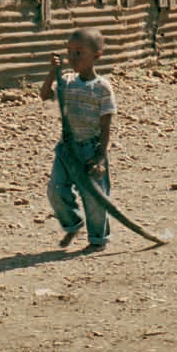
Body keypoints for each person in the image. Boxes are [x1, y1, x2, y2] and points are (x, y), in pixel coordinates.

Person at [40, 28, 117, 253]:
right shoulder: (66, 82)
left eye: (79, 53)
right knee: (55, 190)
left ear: (97, 56)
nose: (72, 58)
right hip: (66, 149)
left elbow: (106, 127)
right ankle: (72, 223)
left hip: (90, 149)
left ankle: (98, 239)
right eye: (69, 52)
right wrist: (51, 72)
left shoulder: (102, 88)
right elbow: (45, 96)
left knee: (95, 198)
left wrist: (100, 156)